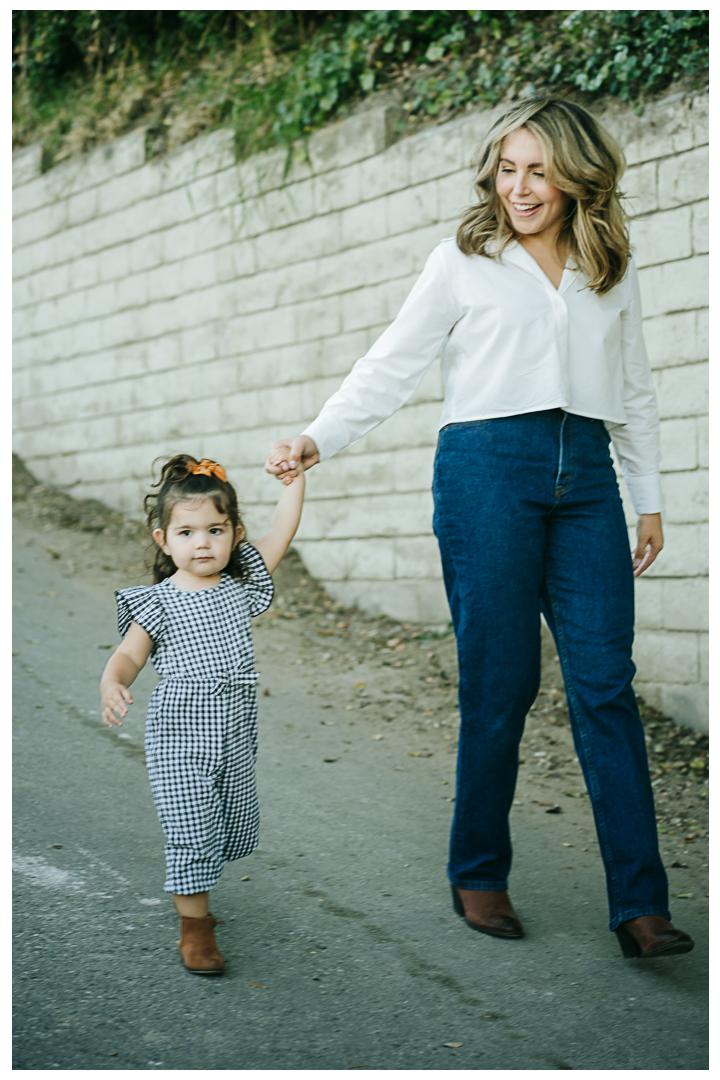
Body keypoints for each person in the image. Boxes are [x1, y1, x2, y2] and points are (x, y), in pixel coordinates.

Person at [265, 97, 694, 960]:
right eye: (508, 168)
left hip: (587, 482)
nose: (520, 187)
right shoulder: (464, 259)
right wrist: (320, 436)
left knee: (605, 684)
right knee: (501, 682)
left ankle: (641, 905)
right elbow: (393, 361)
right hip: (488, 472)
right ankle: (479, 871)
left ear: (577, 177)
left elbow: (637, 387)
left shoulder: (610, 264)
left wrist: (647, 499)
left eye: (539, 170)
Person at [100, 454, 305, 974]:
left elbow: (281, 533)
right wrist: (112, 680)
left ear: (235, 534)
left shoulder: (241, 590)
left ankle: (200, 900)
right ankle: (196, 927)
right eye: (187, 532)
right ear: (164, 540)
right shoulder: (159, 602)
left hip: (235, 735)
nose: (203, 542)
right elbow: (129, 655)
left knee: (229, 826)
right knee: (191, 829)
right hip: (179, 735)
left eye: (215, 530)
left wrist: (295, 484)